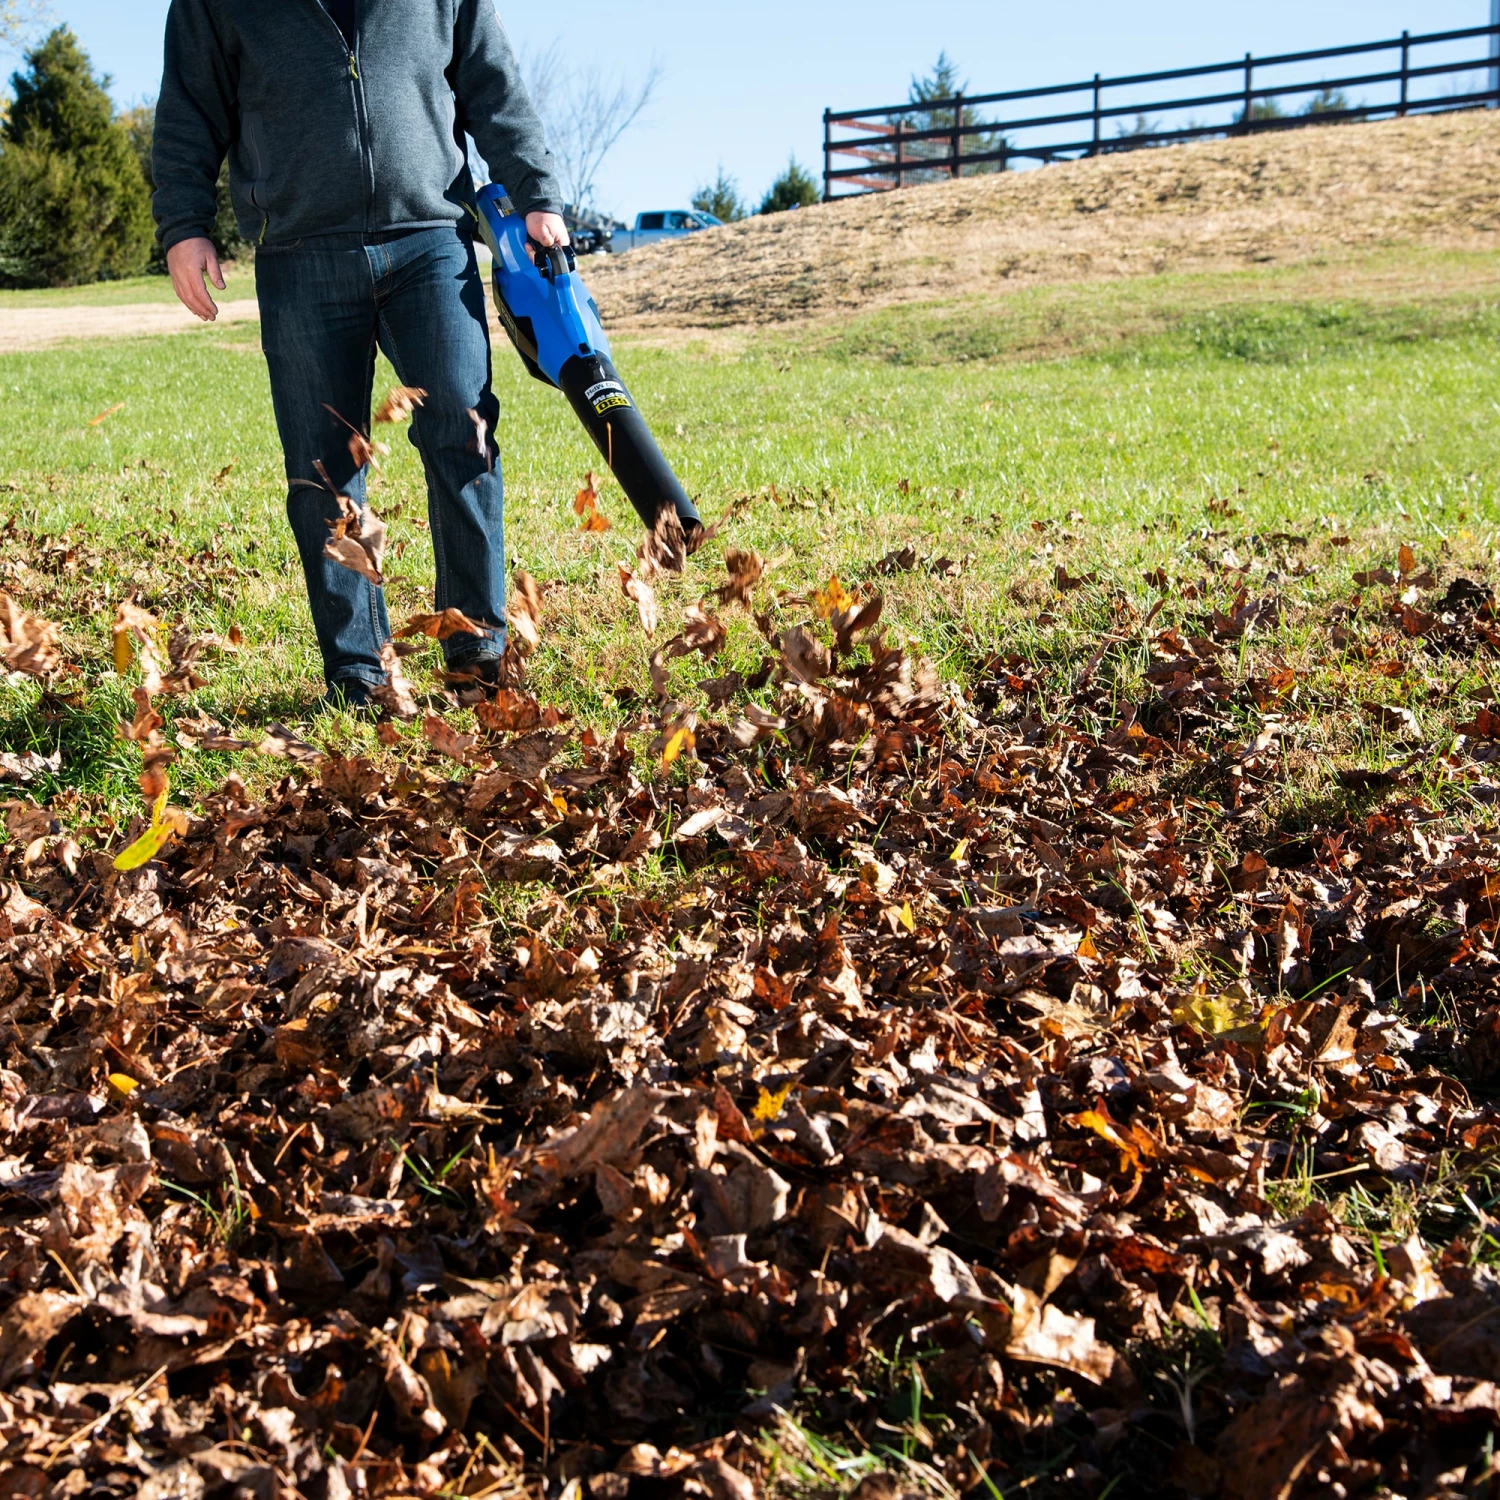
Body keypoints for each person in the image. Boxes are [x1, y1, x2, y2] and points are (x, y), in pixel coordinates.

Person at [152, 0, 569, 708]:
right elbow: (190, 106)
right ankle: (360, 673)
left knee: (463, 427)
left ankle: (475, 648)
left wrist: (536, 191)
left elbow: (491, 81)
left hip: (430, 239)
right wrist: (183, 223)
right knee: (324, 465)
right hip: (299, 251)